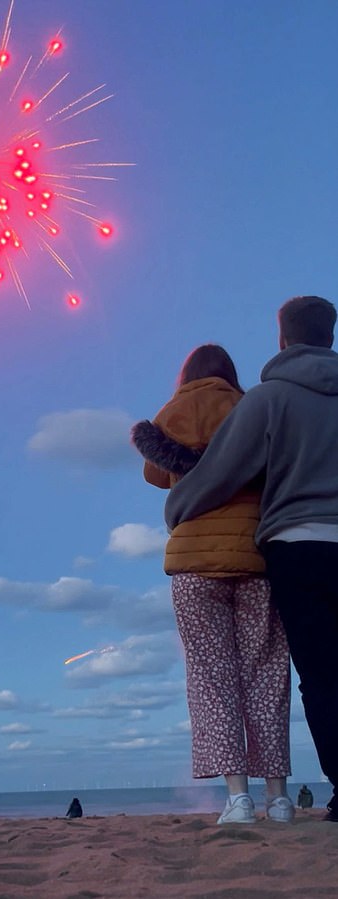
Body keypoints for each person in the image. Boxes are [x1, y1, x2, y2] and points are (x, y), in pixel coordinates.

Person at [165, 296, 338, 823]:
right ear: (329, 336)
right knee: (285, 675)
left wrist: (178, 507)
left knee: (319, 674)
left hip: (295, 548)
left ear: (282, 338)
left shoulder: (268, 400)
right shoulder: (258, 397)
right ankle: (286, 793)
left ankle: (315, 790)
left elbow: (222, 470)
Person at [132, 344, 292, 825]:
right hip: (256, 556)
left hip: (193, 564)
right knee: (268, 676)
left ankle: (238, 799)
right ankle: (280, 798)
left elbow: (154, 474)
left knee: (212, 681)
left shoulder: (173, 410)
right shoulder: (251, 406)